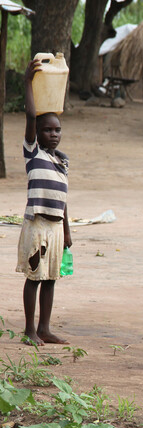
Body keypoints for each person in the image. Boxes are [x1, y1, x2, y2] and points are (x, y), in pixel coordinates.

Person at [16, 59, 72, 346]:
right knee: (34, 276)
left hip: (55, 228)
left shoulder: (62, 161)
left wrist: (68, 231)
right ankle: (29, 329)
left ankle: (45, 328)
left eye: (57, 130)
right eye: (48, 130)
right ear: (36, 134)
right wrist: (28, 82)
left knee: (51, 278)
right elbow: (29, 115)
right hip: (37, 225)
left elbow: (63, 199)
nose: (54, 134)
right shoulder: (33, 154)